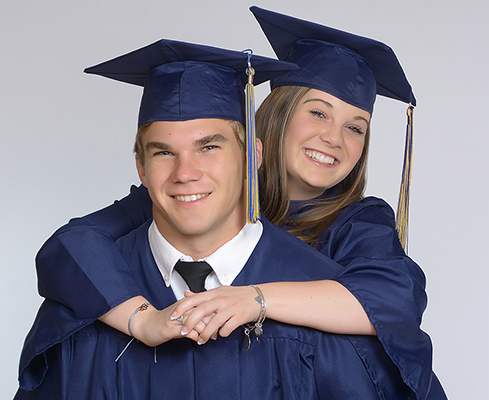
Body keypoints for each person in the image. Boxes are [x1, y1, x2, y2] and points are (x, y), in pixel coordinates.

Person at [28, 7, 446, 400]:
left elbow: (395, 299)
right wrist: (141, 319)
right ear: (275, 115)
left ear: (252, 153)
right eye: (318, 113)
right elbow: (75, 242)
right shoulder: (190, 192)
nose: (334, 138)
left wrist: (256, 298)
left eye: (355, 127)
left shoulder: (359, 224)